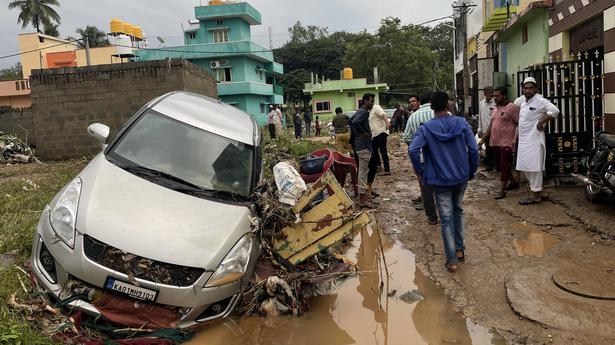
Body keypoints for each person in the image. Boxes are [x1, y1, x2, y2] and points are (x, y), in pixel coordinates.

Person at [409, 91, 479, 273]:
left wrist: (422, 172)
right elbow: (473, 149)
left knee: (446, 219)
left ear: (431, 107)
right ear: (448, 106)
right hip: (461, 177)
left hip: (439, 180)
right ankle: (460, 250)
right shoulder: (461, 123)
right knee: (458, 212)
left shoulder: (426, 128)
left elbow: (413, 150)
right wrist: (471, 170)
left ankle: (452, 260)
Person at [514, 77, 560, 205]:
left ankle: (536, 196)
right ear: (522, 89)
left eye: (530, 88)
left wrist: (542, 121)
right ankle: (538, 191)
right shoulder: (523, 102)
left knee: (534, 168)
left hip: (534, 140)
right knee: (525, 167)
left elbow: (555, 111)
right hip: (524, 140)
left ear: (536, 89)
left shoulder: (540, 100)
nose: (528, 90)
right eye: (525, 88)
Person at [478, 87, 520, 199]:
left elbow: (519, 124)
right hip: (495, 142)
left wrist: (515, 139)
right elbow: (491, 127)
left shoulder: (512, 108)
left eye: (497, 96)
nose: (495, 98)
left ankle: (502, 190)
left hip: (507, 143)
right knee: (500, 165)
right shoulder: (496, 109)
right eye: (494, 96)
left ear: (504, 95)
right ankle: (512, 181)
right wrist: (482, 140)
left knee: (505, 165)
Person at [403, 92, 438, 225]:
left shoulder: (413, 117)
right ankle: (445, 211)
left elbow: (407, 137)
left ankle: (432, 217)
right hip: (440, 156)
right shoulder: (439, 113)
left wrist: (416, 147)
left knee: (426, 187)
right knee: (442, 184)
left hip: (422, 157)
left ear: (420, 102)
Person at [350, 93, 376, 208]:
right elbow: (355, 122)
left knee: (364, 170)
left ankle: (363, 195)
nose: (372, 103)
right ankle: (362, 198)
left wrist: (356, 135)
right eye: (371, 101)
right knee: (363, 172)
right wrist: (363, 133)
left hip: (359, 145)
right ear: (365, 101)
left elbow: (350, 121)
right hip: (363, 146)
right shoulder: (363, 112)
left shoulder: (359, 111)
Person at [369, 103, 391, 175]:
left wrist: (387, 123)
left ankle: (387, 170)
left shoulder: (376, 107)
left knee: (383, 150)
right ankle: (378, 166)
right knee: (374, 150)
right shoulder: (369, 111)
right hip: (374, 134)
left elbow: (383, 115)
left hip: (381, 131)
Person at [478, 86, 496, 171]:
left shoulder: (495, 103)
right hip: (485, 129)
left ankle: (496, 166)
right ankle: (489, 166)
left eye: (491, 92)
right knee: (488, 148)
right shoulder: (481, 103)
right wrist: (479, 129)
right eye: (487, 93)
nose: (489, 94)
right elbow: (480, 117)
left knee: (495, 148)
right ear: (484, 94)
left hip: (495, 129)